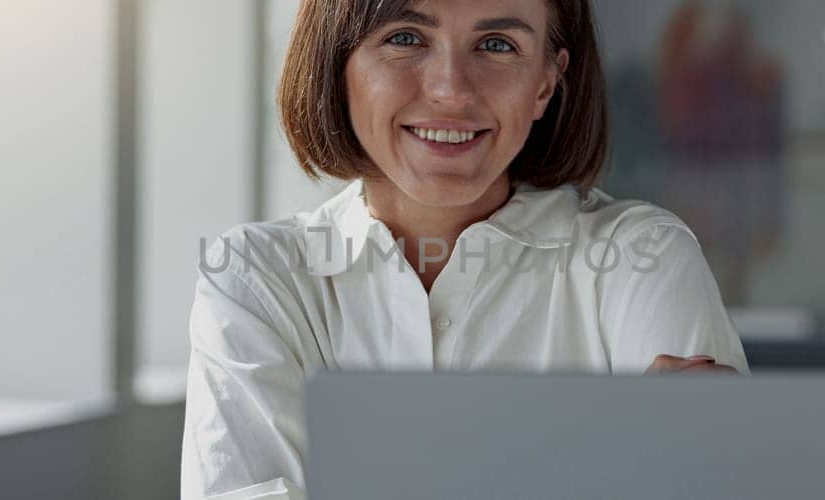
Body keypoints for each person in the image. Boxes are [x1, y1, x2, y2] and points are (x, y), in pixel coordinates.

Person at [181, 1, 746, 498]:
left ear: (546, 83)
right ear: (339, 62)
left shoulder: (642, 257)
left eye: (497, 44)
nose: (451, 89)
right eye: (405, 37)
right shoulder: (256, 280)